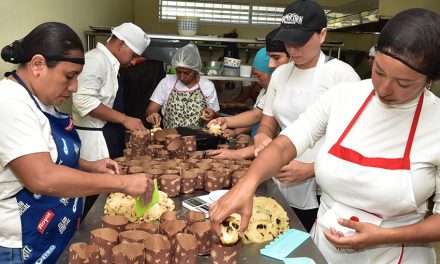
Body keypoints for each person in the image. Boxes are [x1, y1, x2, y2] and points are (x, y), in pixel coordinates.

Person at [211, 8, 440, 263]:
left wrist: (385, 235)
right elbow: (286, 144)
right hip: (322, 250)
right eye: (379, 72)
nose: (384, 89)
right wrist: (247, 183)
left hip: (394, 253)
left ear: (429, 80)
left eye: (404, 83)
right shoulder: (344, 96)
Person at [0, 22, 153, 263]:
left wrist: (90, 165)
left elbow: (44, 154)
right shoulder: (10, 102)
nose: (74, 88)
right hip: (25, 245)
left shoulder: (41, 100)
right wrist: (121, 183)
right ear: (38, 64)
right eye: (69, 77)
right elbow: (42, 177)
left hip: (54, 235)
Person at [72, 22, 150, 162]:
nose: (133, 62)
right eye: (133, 56)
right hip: (94, 143)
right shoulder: (95, 60)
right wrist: (124, 119)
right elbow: (83, 100)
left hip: (108, 136)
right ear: (120, 44)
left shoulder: (111, 64)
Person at [145, 43, 220, 128]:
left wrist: (212, 114)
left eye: (187, 73)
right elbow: (150, 109)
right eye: (178, 72)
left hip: (199, 138)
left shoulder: (207, 86)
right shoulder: (166, 82)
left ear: (195, 70)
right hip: (170, 137)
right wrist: (152, 115)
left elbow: (217, 115)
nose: (182, 77)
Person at [210, 47, 274, 139]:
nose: (256, 79)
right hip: (257, 141)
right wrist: (234, 131)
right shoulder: (265, 91)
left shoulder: (279, 94)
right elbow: (255, 117)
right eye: (255, 75)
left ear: (273, 72)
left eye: (259, 75)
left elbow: (257, 117)